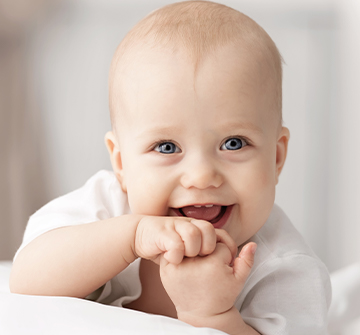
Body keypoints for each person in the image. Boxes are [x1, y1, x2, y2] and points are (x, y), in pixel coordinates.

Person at [9, 1, 331, 334]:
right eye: (166, 147)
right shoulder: (106, 206)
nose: (202, 175)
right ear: (121, 163)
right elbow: (27, 278)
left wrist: (211, 315)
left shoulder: (283, 271)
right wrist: (130, 238)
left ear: (276, 158)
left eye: (233, 143)